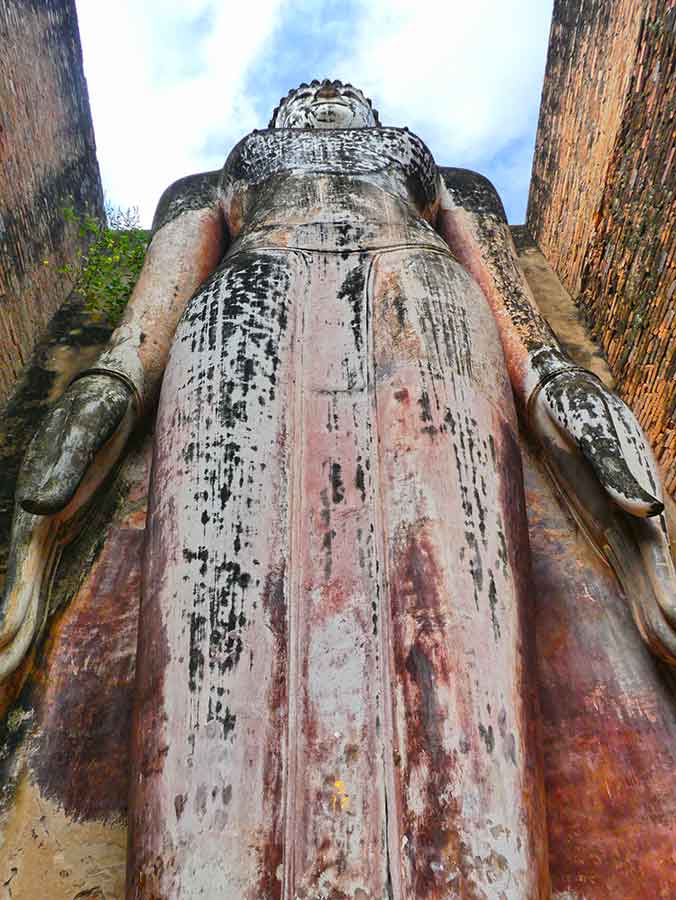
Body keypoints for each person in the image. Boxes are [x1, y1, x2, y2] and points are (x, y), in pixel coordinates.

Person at [2, 80, 674, 897]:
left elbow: (523, 330)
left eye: (342, 93)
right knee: (215, 615)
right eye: (306, 95)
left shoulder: (447, 182)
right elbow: (143, 327)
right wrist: (104, 396)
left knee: (453, 609)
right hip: (243, 312)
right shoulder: (212, 186)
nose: (325, 98)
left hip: (422, 304)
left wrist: (568, 397)